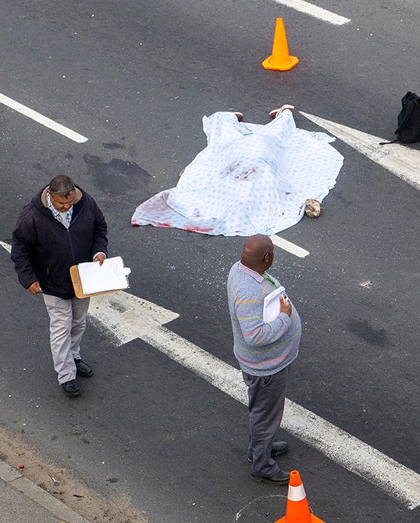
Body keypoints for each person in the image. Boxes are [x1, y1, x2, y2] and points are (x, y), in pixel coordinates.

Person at [131, 104, 344, 236]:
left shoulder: (236, 184)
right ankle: (282, 114)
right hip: (254, 155)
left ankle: (274, 114)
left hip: (254, 155)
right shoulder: (257, 187)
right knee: (272, 136)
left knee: (236, 138)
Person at [11, 175, 108, 397]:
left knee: (79, 323)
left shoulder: (86, 204)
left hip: (84, 279)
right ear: (50, 195)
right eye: (61, 203)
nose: (66, 207)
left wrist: (99, 252)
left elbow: (100, 228)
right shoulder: (32, 215)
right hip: (52, 282)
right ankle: (66, 374)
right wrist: (28, 278)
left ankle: (74, 356)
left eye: (69, 202)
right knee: (61, 328)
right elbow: (20, 249)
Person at [227, 234, 301, 485]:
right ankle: (261, 464)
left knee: (262, 412)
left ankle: (259, 449)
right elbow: (254, 336)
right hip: (266, 369)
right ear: (266, 257)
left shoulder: (239, 269)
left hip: (267, 365)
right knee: (265, 416)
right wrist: (284, 318)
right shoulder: (250, 292)